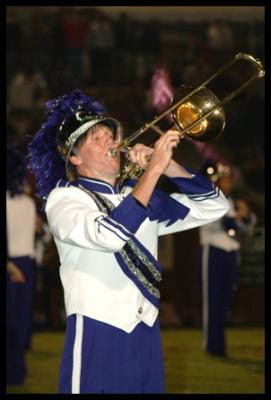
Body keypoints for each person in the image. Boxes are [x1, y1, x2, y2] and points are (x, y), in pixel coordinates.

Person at [28, 89, 229, 394]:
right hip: (99, 329)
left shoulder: (135, 196)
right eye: (97, 138)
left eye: (111, 134)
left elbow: (215, 206)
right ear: (74, 156)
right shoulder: (65, 198)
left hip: (146, 332)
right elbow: (108, 235)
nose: (111, 141)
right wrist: (153, 171)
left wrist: (170, 167)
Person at [198, 162, 257, 357]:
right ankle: (211, 346)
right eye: (224, 179)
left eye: (229, 180)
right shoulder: (210, 198)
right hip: (214, 250)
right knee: (213, 301)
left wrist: (246, 215)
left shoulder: (231, 201)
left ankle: (219, 346)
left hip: (231, 251)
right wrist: (240, 216)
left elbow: (246, 227)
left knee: (224, 303)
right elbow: (227, 224)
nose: (228, 183)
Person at [6, 144, 37, 386]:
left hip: (12, 265)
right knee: (19, 321)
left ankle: (15, 372)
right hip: (26, 264)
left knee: (12, 322)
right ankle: (18, 373)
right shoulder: (28, 203)